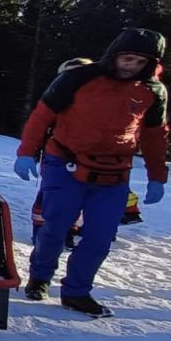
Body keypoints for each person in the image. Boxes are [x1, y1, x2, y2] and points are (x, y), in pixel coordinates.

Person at [15, 28, 169, 318]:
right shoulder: (78, 78)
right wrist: (25, 152)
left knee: (100, 237)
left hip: (114, 173)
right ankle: (40, 277)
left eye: (139, 62)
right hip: (65, 164)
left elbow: (154, 135)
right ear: (115, 54)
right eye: (127, 58)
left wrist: (157, 175)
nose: (130, 66)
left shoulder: (152, 91)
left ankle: (76, 292)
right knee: (55, 228)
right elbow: (42, 114)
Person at [29, 58, 143, 249]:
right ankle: (45, 235)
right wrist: (31, 152)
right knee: (53, 201)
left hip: (100, 163)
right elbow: (41, 126)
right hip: (58, 160)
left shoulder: (106, 101)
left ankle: (87, 230)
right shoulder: (57, 100)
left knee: (94, 200)